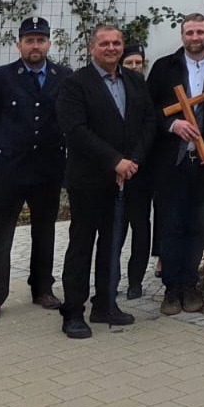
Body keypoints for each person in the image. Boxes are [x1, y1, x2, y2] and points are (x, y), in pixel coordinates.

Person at [55, 25, 154, 337]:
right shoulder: (75, 84)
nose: (111, 48)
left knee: (112, 244)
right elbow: (76, 131)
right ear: (91, 47)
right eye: (105, 43)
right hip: (88, 180)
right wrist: (115, 161)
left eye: (117, 43)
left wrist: (133, 160)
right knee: (82, 245)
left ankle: (105, 304)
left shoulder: (135, 80)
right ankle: (73, 312)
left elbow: (148, 121)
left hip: (125, 179)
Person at [0, 16, 72, 322]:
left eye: (40, 40)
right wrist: (1, 145)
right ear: (19, 44)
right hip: (11, 167)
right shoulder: (2, 77)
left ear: (48, 44)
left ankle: (42, 288)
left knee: (45, 230)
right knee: (1, 232)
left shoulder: (64, 76)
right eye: (29, 40)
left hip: (47, 166)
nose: (35, 45)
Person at [147, 13, 204, 317]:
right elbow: (148, 110)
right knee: (170, 225)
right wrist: (172, 126)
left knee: (197, 225)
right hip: (171, 161)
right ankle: (171, 288)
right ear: (182, 36)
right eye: (189, 32)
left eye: (200, 32)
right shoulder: (163, 68)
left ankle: (191, 284)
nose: (195, 37)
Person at [116, 43, 154, 300]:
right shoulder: (113, 89)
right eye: (129, 63)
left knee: (140, 226)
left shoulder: (147, 90)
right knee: (115, 229)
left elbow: (150, 127)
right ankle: (110, 278)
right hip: (116, 169)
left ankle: (136, 281)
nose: (134, 67)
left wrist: (136, 159)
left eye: (138, 63)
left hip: (142, 169)